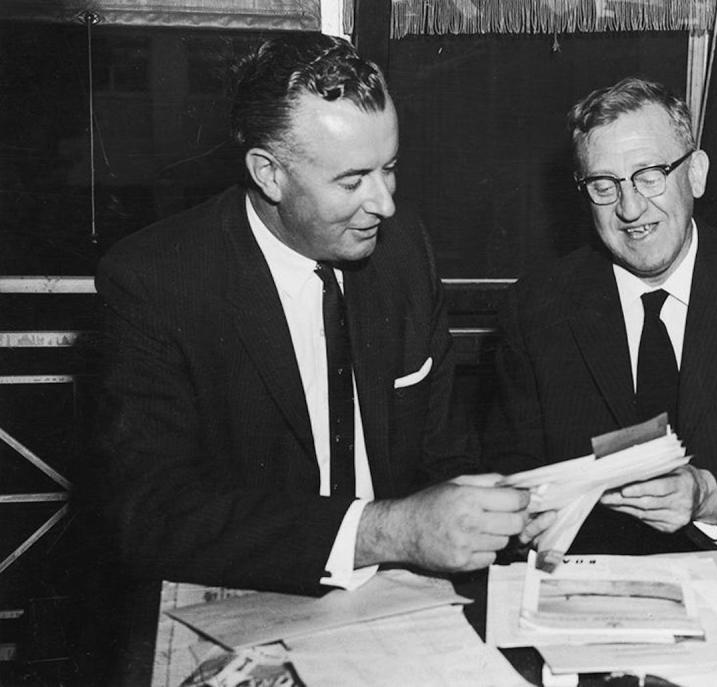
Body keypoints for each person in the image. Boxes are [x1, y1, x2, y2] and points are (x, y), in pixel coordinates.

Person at [94, 34, 532, 597]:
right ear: (269, 173)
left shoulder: (403, 251)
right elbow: (151, 516)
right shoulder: (156, 278)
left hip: (408, 598)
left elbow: (443, 453)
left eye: (389, 168)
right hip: (250, 594)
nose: (385, 203)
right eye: (352, 181)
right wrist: (384, 532)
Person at [485, 77, 717, 556]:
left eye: (649, 175)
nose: (630, 207)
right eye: (604, 185)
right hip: (598, 575)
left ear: (697, 174)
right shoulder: (535, 307)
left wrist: (707, 495)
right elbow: (513, 466)